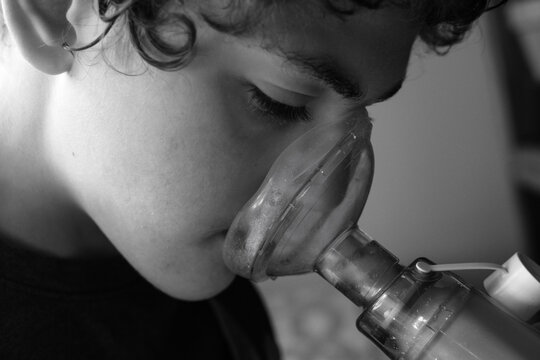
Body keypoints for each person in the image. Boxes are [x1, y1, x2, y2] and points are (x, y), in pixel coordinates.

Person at [0, 0, 503, 359]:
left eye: (355, 125)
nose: (322, 198)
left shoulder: (196, 279)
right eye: (278, 100)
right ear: (53, 10)